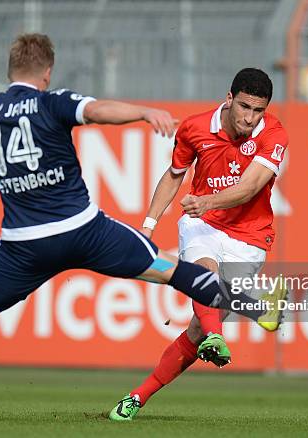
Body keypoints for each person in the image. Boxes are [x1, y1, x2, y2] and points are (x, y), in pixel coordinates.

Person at [0, 35, 273, 424]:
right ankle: (253, 303)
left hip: (22, 244)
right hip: (82, 230)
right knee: (172, 271)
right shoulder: (52, 100)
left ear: (10, 69)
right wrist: (144, 112)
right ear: (47, 73)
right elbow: (96, 111)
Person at [109, 68, 289, 421]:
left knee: (197, 328)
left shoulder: (275, 133)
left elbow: (251, 187)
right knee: (205, 272)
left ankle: (140, 393)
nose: (250, 118)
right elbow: (174, 175)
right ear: (229, 98)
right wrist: (148, 225)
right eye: (244, 108)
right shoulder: (193, 128)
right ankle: (226, 331)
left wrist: (207, 200)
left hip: (250, 236)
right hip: (202, 224)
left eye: (258, 111)